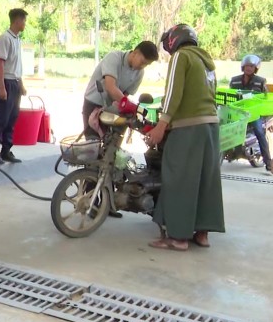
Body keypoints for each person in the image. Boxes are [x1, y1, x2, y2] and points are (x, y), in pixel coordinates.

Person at [146, 24, 224, 251]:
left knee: (178, 179)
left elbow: (173, 93)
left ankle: (178, 238)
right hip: (211, 126)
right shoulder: (206, 62)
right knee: (205, 181)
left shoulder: (182, 57)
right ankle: (202, 234)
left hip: (188, 128)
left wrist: (161, 125)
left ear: (174, 40)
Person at [82, 41, 160, 138]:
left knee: (113, 140)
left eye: (147, 64)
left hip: (112, 108)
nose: (143, 66)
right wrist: (129, 105)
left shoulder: (139, 73)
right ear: (135, 53)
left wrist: (130, 108)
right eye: (142, 62)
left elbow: (125, 95)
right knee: (92, 141)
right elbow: (110, 87)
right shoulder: (113, 58)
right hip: (93, 103)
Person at [0, 8, 28, 164]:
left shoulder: (17, 39)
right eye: (24, 20)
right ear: (17, 20)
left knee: (12, 118)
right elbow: (0, 63)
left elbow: (16, 66)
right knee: (2, 119)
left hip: (15, 83)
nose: (25, 23)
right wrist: (1, 87)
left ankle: (6, 150)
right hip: (6, 82)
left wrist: (21, 85)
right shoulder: (5, 38)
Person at [229, 54, 271, 173]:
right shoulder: (234, 80)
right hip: (237, 112)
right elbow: (229, 95)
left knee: (259, 132)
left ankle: (268, 162)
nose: (249, 68)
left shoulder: (260, 81)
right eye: (247, 66)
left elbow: (265, 98)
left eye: (252, 66)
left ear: (255, 68)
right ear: (243, 66)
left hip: (253, 114)